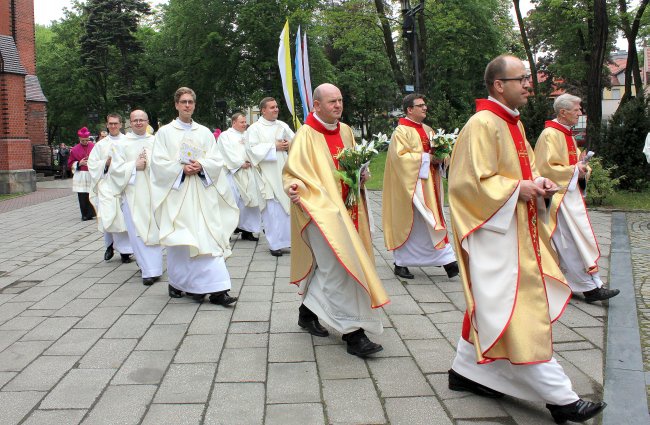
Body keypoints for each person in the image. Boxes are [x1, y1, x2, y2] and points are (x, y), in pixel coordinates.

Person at [447, 55, 605, 424]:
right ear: (499, 84)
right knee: (518, 312)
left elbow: (529, 170)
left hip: (518, 230)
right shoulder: (481, 124)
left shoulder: (512, 124)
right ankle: (561, 399)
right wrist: (521, 187)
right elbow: (466, 185)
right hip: (495, 235)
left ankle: (466, 370)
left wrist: (542, 183)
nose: (528, 86)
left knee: (493, 306)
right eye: (521, 79)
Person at [283, 83, 389, 357]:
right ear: (316, 106)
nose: (338, 105)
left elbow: (352, 165)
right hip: (320, 213)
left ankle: (306, 313)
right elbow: (292, 172)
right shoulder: (304, 136)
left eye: (340, 100)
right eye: (332, 101)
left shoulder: (346, 131)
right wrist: (293, 187)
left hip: (348, 209)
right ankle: (354, 334)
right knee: (338, 268)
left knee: (333, 267)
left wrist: (361, 176)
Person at [150, 87, 239, 305]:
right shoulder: (165, 133)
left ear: (194, 105)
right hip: (178, 196)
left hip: (202, 194)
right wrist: (180, 170)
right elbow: (158, 164)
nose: (187, 105)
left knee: (208, 238)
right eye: (183, 102)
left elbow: (216, 160)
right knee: (182, 241)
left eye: (190, 102)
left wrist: (202, 166)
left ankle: (218, 289)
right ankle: (181, 283)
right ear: (176, 105)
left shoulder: (204, 132)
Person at [535, 94, 619, 303]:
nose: (580, 113)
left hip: (570, 196)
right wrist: (575, 170)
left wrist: (582, 168)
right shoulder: (550, 135)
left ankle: (591, 283)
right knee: (569, 243)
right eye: (577, 109)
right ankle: (589, 288)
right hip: (558, 198)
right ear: (563, 112)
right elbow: (545, 168)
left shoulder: (567, 135)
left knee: (576, 241)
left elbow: (576, 164)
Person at [382, 93, 459, 279]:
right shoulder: (401, 132)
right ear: (410, 109)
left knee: (430, 221)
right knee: (410, 222)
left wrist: (442, 158)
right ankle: (401, 263)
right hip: (410, 187)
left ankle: (447, 259)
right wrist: (427, 158)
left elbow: (439, 153)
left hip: (430, 186)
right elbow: (400, 159)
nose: (425, 108)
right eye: (421, 105)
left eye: (425, 105)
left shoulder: (428, 129)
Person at [109, 110, 164, 286]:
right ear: (130, 123)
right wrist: (134, 166)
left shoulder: (156, 141)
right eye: (135, 120)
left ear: (147, 122)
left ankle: (153, 266)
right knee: (138, 231)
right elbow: (116, 170)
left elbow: (165, 164)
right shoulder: (122, 143)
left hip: (154, 194)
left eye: (142, 120)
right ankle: (148, 270)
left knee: (154, 229)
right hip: (133, 194)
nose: (139, 123)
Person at [245, 97, 293, 256]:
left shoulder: (282, 125)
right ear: (263, 110)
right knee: (272, 210)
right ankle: (274, 244)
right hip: (266, 175)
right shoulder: (255, 129)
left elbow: (296, 141)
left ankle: (287, 241)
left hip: (283, 171)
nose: (276, 109)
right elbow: (251, 149)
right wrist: (274, 147)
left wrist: (288, 145)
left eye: (277, 107)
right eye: (272, 107)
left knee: (286, 208)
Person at [87, 113, 133, 264]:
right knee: (107, 215)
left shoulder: (128, 141)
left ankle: (126, 251)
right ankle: (109, 245)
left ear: (121, 125)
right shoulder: (101, 145)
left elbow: (133, 161)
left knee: (124, 218)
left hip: (124, 185)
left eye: (116, 123)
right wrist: (105, 164)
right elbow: (92, 164)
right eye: (110, 123)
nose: (113, 126)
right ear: (107, 125)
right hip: (107, 185)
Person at [217, 112, 263, 241]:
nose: (245, 124)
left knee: (250, 201)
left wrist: (251, 161)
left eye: (245, 122)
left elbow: (254, 149)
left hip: (249, 172)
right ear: (233, 123)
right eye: (242, 122)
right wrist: (240, 163)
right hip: (233, 173)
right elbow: (226, 152)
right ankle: (227, 231)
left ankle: (247, 231)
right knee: (232, 201)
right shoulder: (225, 136)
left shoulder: (248, 135)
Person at [68, 127, 96, 221]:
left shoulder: (94, 146)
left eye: (86, 140)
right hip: (81, 174)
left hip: (91, 173)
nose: (85, 142)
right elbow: (70, 163)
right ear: (79, 139)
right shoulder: (75, 149)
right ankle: (84, 214)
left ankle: (92, 213)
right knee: (82, 195)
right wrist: (79, 163)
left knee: (92, 193)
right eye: (82, 140)